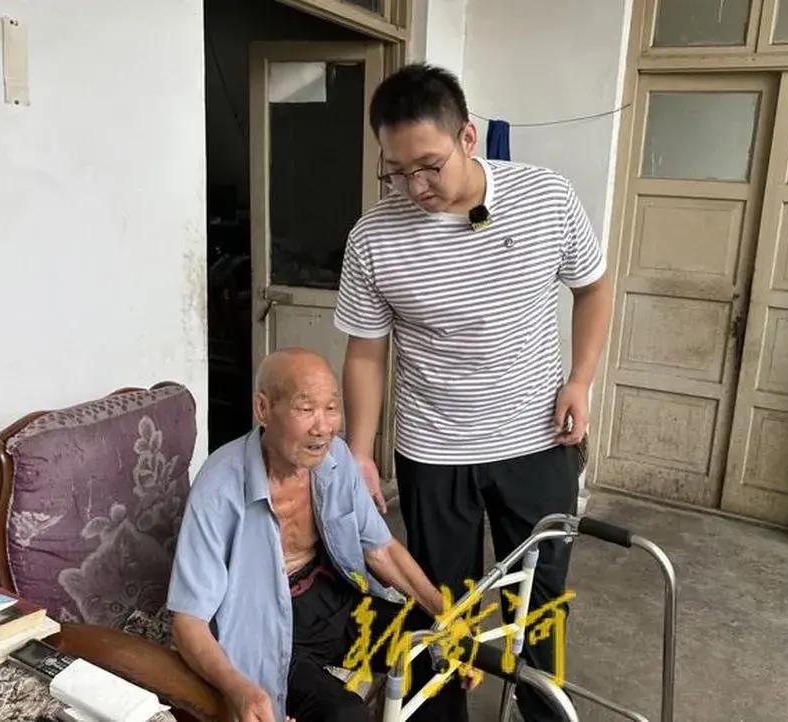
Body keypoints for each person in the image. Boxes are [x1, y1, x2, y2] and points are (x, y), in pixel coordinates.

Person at [334, 64, 612, 722]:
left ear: (467, 136)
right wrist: (361, 451)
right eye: (395, 172)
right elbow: (366, 351)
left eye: (428, 167)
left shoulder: (545, 198)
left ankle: (540, 712)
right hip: (434, 451)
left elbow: (593, 286)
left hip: (538, 441)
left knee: (539, 601)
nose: (415, 188)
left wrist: (580, 380)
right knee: (441, 602)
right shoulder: (373, 238)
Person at [167, 349, 474, 722]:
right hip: (268, 626)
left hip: (331, 597)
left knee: (439, 649)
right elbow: (188, 621)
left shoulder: (336, 459)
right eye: (306, 408)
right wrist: (239, 689)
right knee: (345, 715)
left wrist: (448, 616)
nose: (323, 427)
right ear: (263, 409)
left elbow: (381, 550)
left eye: (331, 408)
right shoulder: (219, 487)